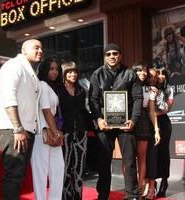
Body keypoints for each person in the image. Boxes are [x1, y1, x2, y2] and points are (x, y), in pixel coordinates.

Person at [89, 43, 143, 200]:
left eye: (115, 53)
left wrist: (133, 120)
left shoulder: (130, 74)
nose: (112, 56)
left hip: (126, 124)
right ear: (105, 57)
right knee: (104, 161)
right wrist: (98, 118)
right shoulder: (97, 74)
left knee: (130, 161)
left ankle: (132, 195)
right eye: (108, 54)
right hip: (104, 124)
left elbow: (138, 98)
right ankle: (103, 195)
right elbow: (92, 100)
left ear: (120, 55)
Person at [0, 39, 43, 199]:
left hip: (26, 130)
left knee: (19, 175)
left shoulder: (30, 70)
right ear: (23, 50)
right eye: (36, 48)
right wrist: (17, 128)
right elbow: (8, 98)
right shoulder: (14, 65)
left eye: (41, 48)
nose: (40, 51)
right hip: (14, 130)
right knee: (14, 176)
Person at [31, 58, 65, 200]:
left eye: (57, 69)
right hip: (42, 133)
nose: (55, 72)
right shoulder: (43, 85)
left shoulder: (50, 87)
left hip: (52, 133)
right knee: (40, 174)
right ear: (45, 70)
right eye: (51, 69)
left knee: (58, 169)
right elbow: (46, 111)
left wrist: (56, 132)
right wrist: (56, 132)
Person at [59, 61, 88, 200]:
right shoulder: (58, 90)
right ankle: (64, 197)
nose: (73, 74)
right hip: (64, 134)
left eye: (75, 71)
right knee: (64, 168)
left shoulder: (81, 90)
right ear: (64, 73)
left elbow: (83, 111)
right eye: (69, 72)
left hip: (81, 133)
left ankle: (77, 197)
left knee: (79, 168)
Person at [132, 62, 160, 196]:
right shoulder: (128, 86)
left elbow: (151, 111)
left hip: (143, 122)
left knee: (142, 157)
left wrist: (156, 129)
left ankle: (139, 187)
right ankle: (130, 187)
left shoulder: (150, 89)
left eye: (144, 71)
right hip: (129, 121)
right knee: (128, 158)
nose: (143, 73)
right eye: (139, 70)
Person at [145, 67, 173, 199]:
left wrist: (152, 113)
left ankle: (164, 181)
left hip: (162, 122)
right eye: (158, 75)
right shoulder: (149, 87)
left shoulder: (169, 89)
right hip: (149, 123)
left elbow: (167, 108)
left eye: (163, 75)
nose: (160, 77)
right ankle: (152, 182)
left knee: (163, 152)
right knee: (151, 154)